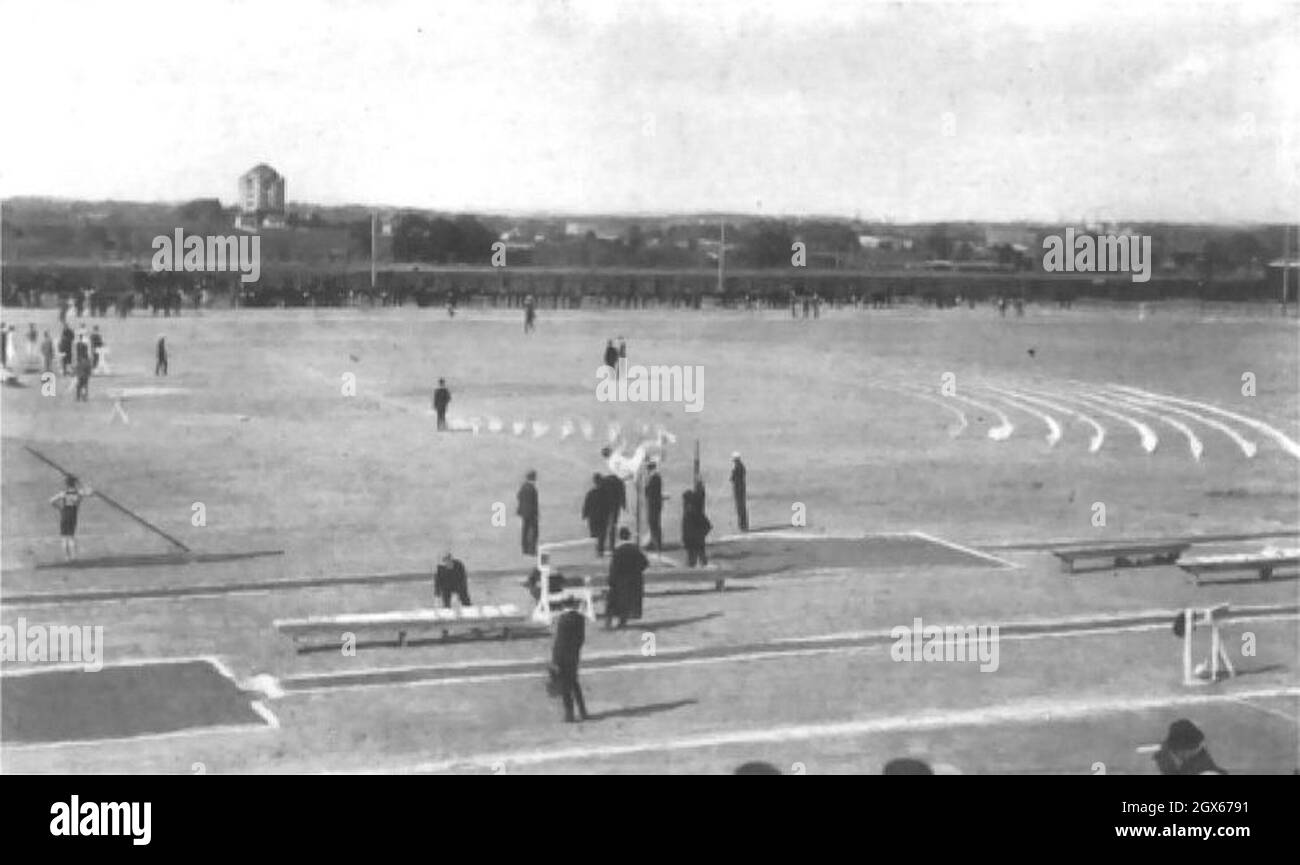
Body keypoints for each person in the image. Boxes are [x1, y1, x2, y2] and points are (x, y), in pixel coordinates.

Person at [549, 597, 590, 723]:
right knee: (574, 684)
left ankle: (569, 714)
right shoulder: (580, 618)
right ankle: (583, 711)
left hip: (562, 657)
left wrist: (555, 660)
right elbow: (581, 639)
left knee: (565, 687)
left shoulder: (563, 620)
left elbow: (559, 642)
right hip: (574, 656)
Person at [605, 527, 648, 629]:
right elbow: (645, 563)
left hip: (619, 582)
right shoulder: (635, 549)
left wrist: (611, 580)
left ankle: (608, 623)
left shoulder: (618, 551)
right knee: (627, 602)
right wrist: (636, 571)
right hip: (633, 581)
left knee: (613, 602)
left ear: (619, 536)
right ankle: (622, 622)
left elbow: (613, 568)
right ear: (629, 536)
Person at [1152, 719, 1227, 775]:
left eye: (1174, 752)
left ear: (1182, 752)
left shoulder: (1207, 772)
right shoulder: (1194, 767)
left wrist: (1168, 769)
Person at [50, 475, 93, 561]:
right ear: (74, 484)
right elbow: (90, 492)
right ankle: (74, 557)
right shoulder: (79, 493)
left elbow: (51, 501)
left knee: (64, 537)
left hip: (64, 515)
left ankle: (67, 557)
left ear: (67, 484)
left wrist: (59, 508)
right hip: (73, 516)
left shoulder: (64, 493)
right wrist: (81, 484)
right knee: (71, 536)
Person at [681, 489, 712, 567]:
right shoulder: (688, 513)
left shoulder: (694, 513)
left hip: (696, 543)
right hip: (692, 543)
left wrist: (700, 535)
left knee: (698, 564)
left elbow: (707, 526)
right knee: (693, 565)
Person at [581, 473, 609, 556]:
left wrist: (584, 515)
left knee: (594, 535)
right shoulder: (605, 493)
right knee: (602, 535)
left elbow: (586, 505)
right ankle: (600, 551)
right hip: (603, 517)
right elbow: (609, 505)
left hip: (593, 518)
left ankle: (595, 552)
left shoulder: (591, 493)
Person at [599, 470, 626, 554]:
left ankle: (601, 548)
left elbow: (600, 494)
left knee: (603, 527)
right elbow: (622, 495)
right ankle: (611, 547)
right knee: (613, 526)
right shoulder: (619, 482)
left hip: (605, 507)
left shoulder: (605, 481)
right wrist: (623, 504)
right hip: (615, 506)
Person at [517, 469, 539, 555]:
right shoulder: (532, 488)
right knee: (533, 532)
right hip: (531, 514)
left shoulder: (523, 486)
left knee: (525, 531)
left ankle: (525, 549)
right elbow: (534, 503)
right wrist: (536, 514)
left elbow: (518, 496)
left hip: (523, 513)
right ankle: (532, 550)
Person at [645, 460, 664, 551]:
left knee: (654, 523)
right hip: (653, 503)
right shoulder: (654, 478)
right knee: (653, 523)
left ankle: (656, 543)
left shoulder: (655, 478)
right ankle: (654, 541)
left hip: (654, 504)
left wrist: (647, 485)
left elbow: (649, 491)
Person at [730, 452, 748, 532]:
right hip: (741, 489)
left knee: (740, 507)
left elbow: (733, 478)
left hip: (738, 489)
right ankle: (743, 525)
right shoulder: (741, 467)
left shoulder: (738, 467)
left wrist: (732, 476)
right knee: (741, 507)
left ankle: (742, 525)